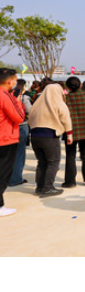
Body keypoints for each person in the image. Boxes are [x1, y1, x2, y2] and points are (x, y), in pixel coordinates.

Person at [29, 83, 73, 198]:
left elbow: (30, 118)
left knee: (42, 162)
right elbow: (66, 119)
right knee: (53, 162)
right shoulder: (59, 103)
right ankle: (48, 188)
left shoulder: (37, 104)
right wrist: (69, 135)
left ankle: (39, 187)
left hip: (34, 136)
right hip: (50, 136)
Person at [64, 77, 85, 187]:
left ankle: (70, 182)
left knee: (70, 155)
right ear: (80, 85)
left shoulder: (66, 98)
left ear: (67, 87)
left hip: (70, 130)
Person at [0, 69, 25, 217]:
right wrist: (16, 99)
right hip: (5, 139)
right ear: (10, 81)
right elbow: (19, 117)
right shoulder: (5, 96)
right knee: (3, 174)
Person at [9, 79, 31, 187]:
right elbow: (29, 111)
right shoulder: (24, 97)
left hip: (9, 127)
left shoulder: (7, 94)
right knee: (19, 153)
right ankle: (16, 178)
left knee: (9, 153)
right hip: (22, 127)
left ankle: (8, 177)